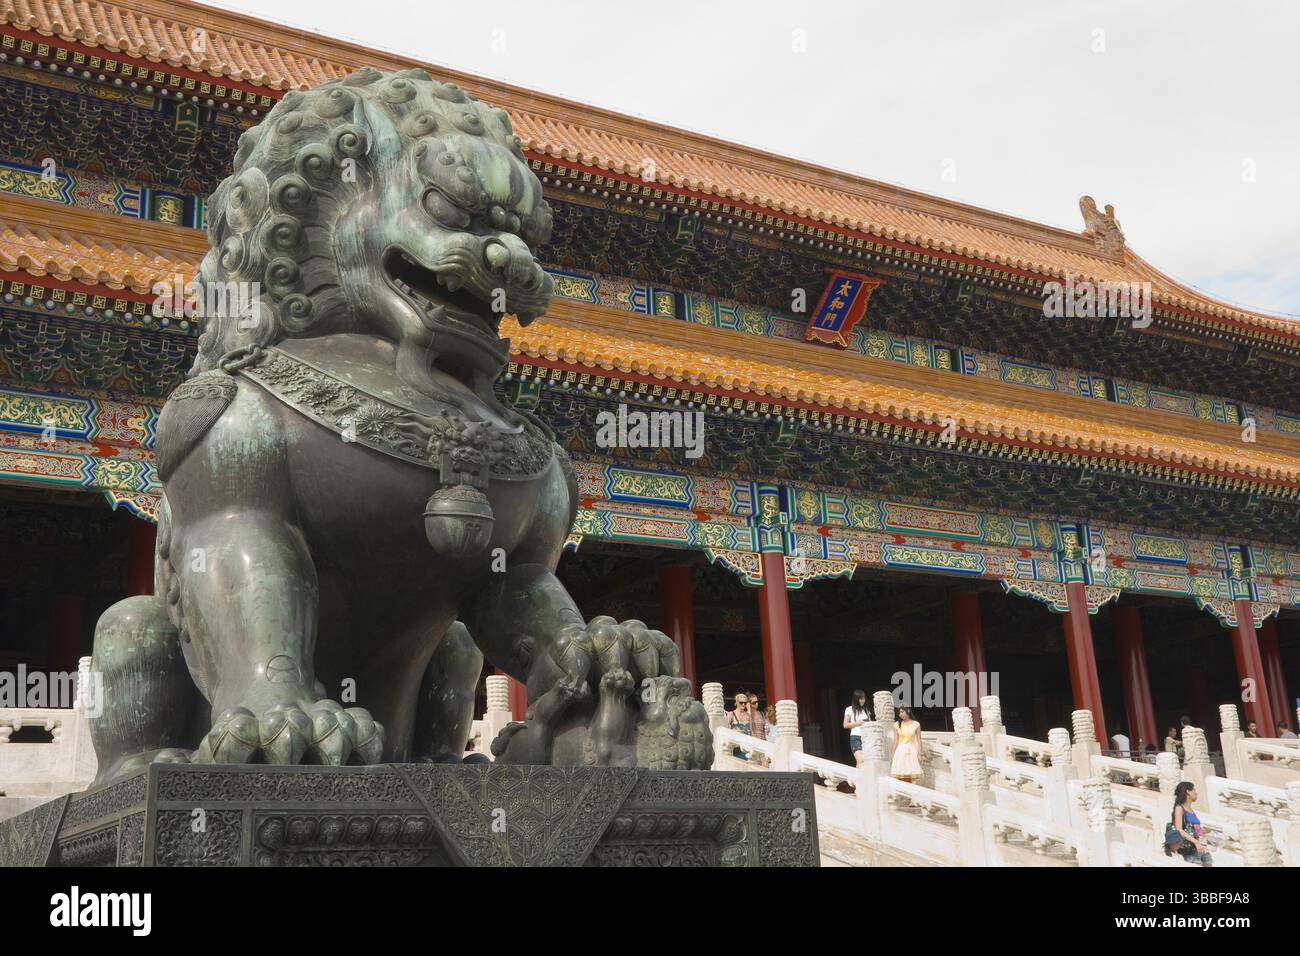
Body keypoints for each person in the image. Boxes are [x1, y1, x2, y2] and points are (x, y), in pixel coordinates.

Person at [1165, 781, 1213, 866]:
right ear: (1188, 792)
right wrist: (1196, 842)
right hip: (1191, 850)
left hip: (1201, 847)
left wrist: (1204, 832)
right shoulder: (1179, 808)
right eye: (1194, 790)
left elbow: (1191, 829)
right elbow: (1179, 829)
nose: (1196, 793)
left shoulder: (1190, 809)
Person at [891, 706, 923, 783]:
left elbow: (919, 740)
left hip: (911, 751)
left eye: (902, 712)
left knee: (913, 774)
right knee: (900, 773)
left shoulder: (916, 724)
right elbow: (896, 741)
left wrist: (920, 754)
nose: (900, 714)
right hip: (900, 751)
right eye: (899, 713)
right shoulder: (897, 725)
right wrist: (893, 755)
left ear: (908, 710)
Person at [843, 689, 871, 766]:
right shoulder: (849, 709)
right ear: (856, 699)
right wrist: (858, 723)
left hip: (866, 738)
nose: (863, 701)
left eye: (864, 698)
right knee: (860, 760)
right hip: (855, 737)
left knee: (862, 762)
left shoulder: (866, 710)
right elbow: (845, 725)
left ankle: (859, 778)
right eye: (861, 698)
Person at [727, 692, 752, 760]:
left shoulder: (748, 715)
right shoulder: (731, 714)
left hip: (747, 743)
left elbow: (751, 730)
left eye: (745, 703)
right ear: (737, 702)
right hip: (737, 745)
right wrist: (734, 731)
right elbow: (725, 730)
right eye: (741, 702)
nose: (743, 704)